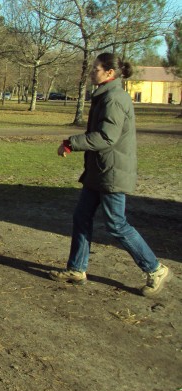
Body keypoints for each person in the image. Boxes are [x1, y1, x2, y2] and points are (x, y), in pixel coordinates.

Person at [50, 52, 171, 297]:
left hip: (111, 172)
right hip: (99, 171)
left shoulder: (114, 99)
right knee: (81, 217)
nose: (91, 72)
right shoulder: (105, 96)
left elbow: (107, 137)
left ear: (109, 73)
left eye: (96, 68)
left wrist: (72, 143)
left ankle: (154, 268)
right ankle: (76, 269)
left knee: (116, 224)